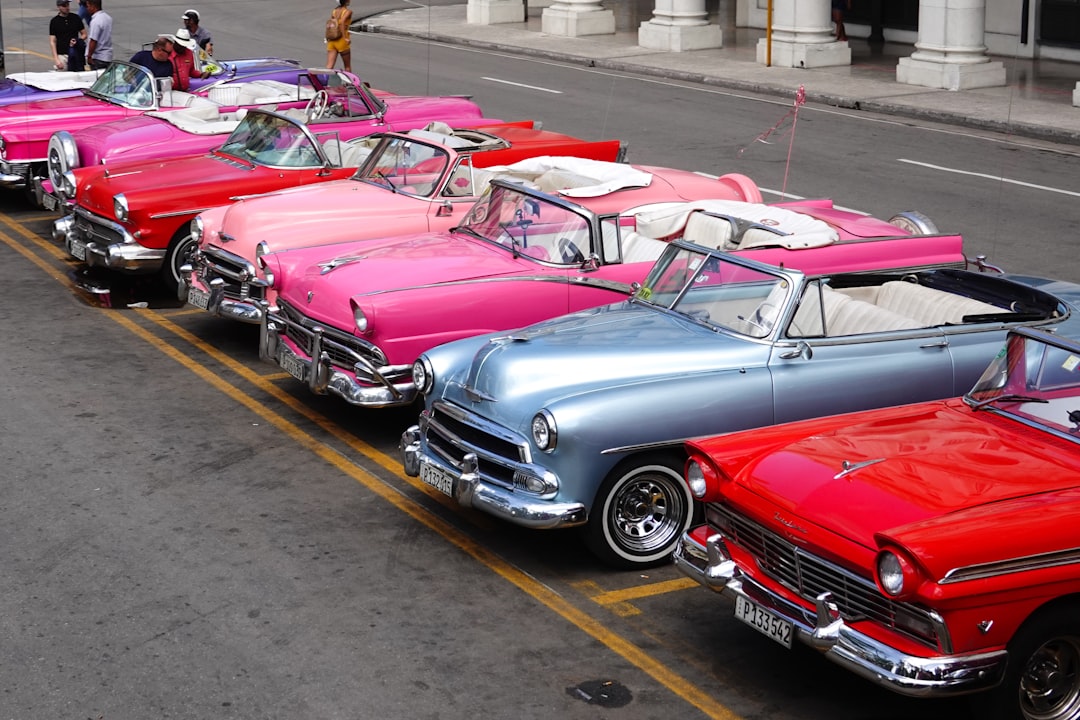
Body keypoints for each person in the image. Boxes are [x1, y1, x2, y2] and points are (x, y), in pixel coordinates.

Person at [49, 0, 86, 72]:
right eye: (64, 6)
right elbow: (52, 41)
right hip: (62, 55)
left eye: (68, 5)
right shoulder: (54, 21)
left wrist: (78, 40)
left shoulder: (76, 18)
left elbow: (84, 34)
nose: (67, 8)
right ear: (59, 7)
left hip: (75, 53)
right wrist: (56, 59)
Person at [325, 0, 353, 73]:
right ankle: (349, 84)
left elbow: (332, 23)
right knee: (347, 66)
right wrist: (345, 38)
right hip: (341, 41)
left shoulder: (334, 11)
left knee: (329, 66)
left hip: (332, 40)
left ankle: (323, 83)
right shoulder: (348, 12)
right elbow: (343, 22)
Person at [84, 0, 112, 70]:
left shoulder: (95, 21)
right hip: (107, 56)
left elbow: (93, 40)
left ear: (93, 6)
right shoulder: (108, 18)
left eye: (88, 6)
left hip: (98, 57)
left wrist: (89, 56)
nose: (87, 9)